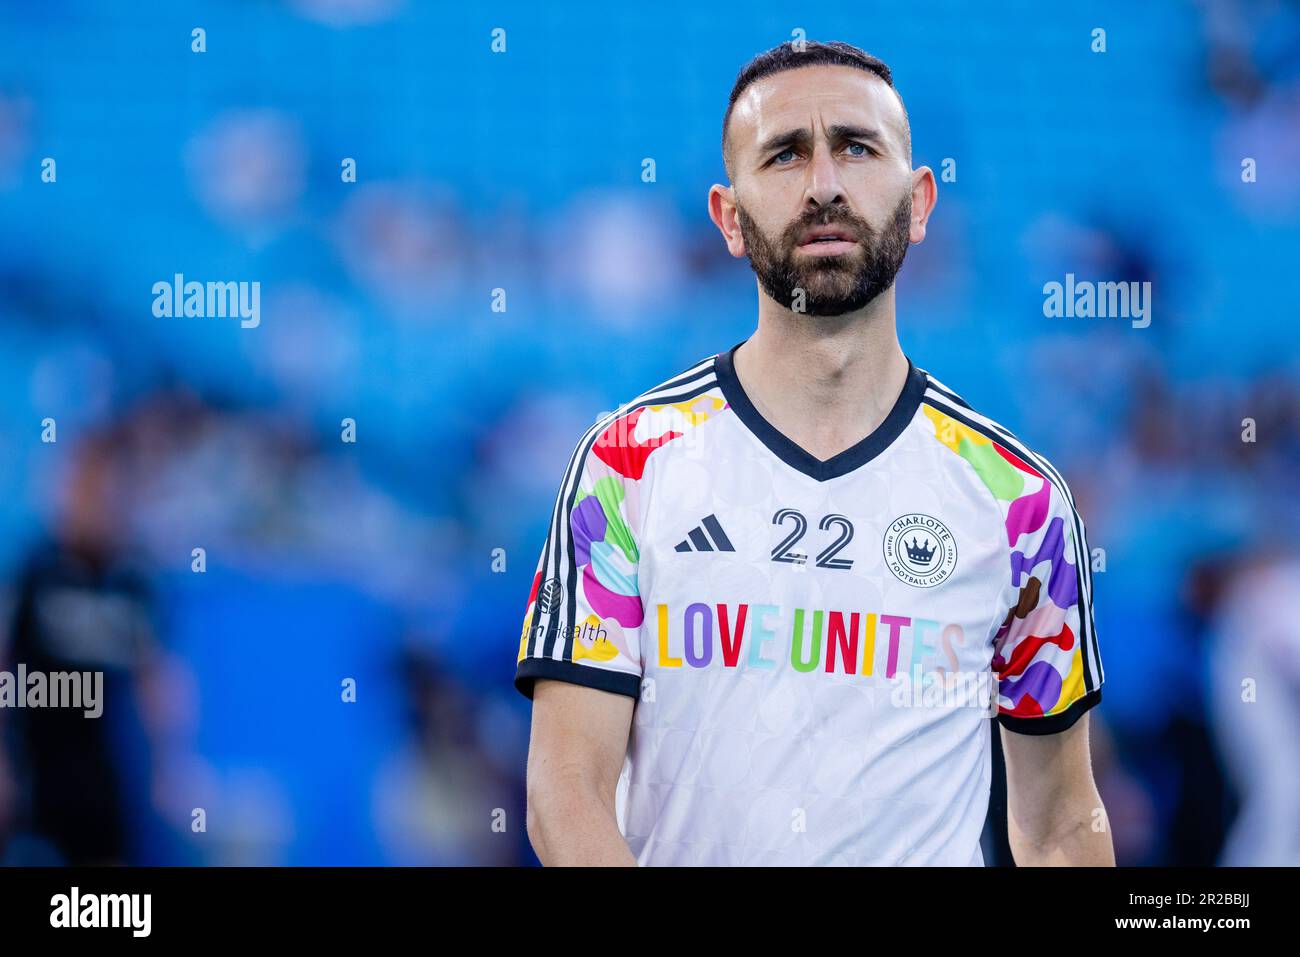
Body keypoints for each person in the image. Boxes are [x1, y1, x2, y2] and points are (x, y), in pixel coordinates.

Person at [514, 40, 1110, 866]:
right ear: (727, 215)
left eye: (858, 149)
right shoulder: (627, 467)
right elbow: (564, 796)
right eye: (786, 153)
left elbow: (1059, 827)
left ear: (920, 199)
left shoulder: (1021, 502)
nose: (825, 185)